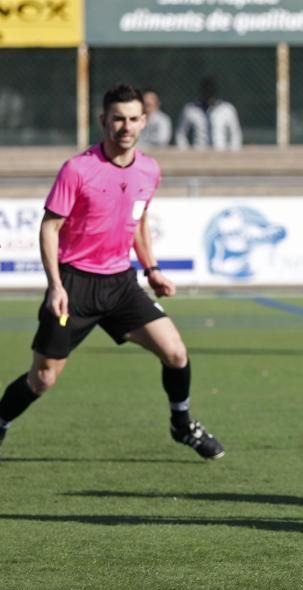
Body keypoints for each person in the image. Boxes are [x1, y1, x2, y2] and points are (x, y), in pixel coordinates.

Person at [0, 83, 224, 461]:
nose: (126, 127)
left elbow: (138, 221)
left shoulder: (150, 170)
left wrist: (151, 269)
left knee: (176, 353)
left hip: (121, 283)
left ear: (144, 122)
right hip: (75, 286)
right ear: (103, 120)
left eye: (134, 119)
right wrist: (56, 286)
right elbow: (49, 228)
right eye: (118, 118)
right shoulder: (78, 169)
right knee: (43, 378)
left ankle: (182, 424)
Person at [175, 77, 242, 151]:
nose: (209, 99)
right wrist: (185, 152)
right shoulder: (190, 109)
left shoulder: (227, 109)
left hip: (221, 153)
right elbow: (181, 134)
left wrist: (232, 153)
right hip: (198, 154)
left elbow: (235, 133)